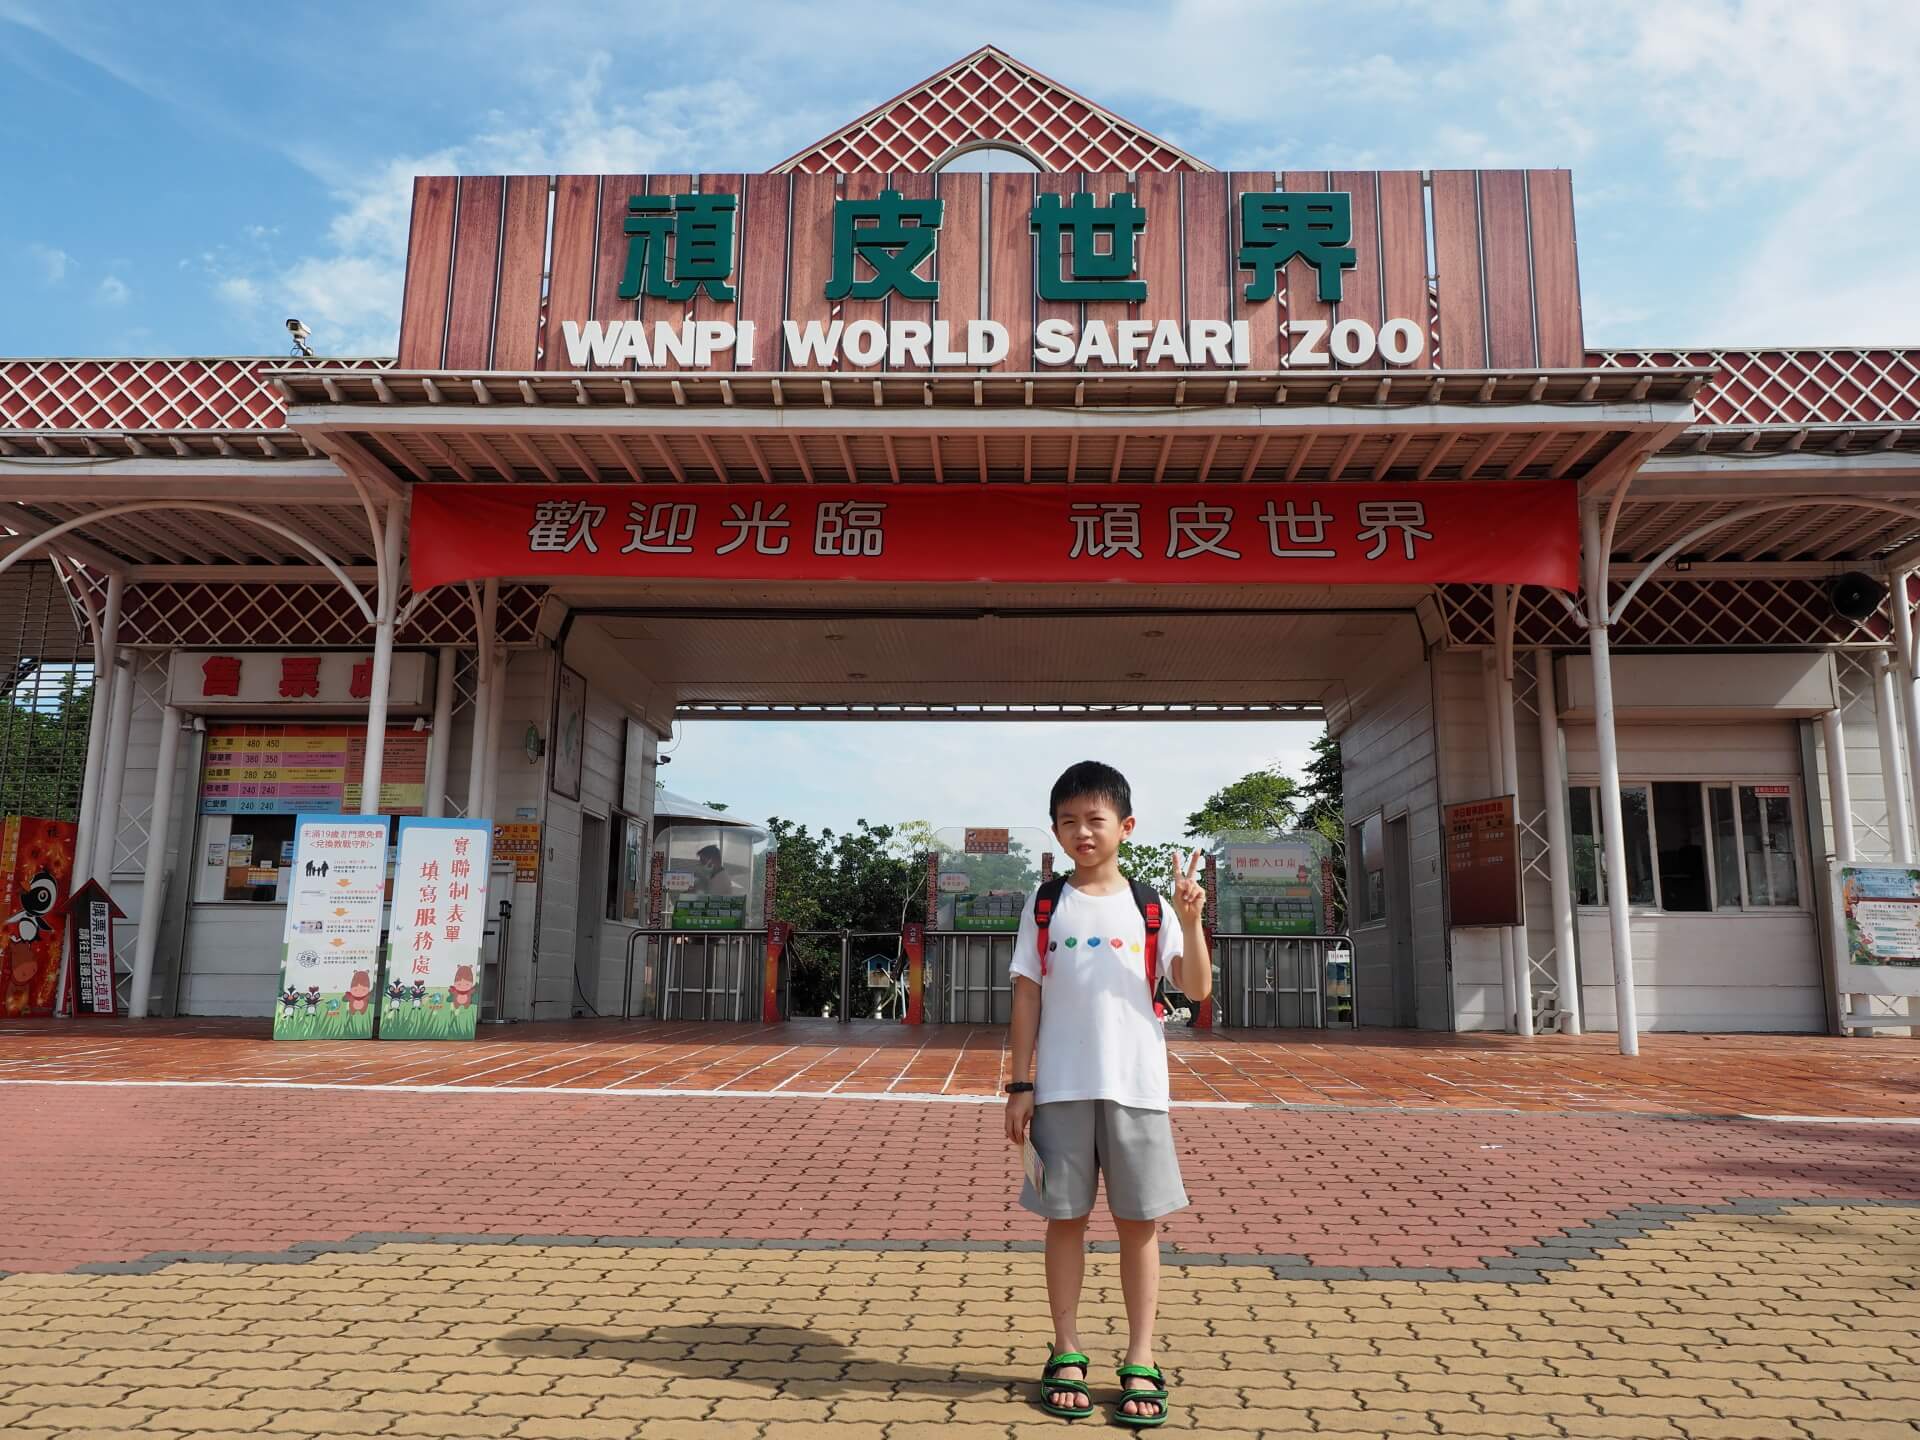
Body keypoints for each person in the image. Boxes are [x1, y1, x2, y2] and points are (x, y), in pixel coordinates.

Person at [1004, 760, 1210, 1427]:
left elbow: (1197, 988)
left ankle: (1140, 1356)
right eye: (1069, 821)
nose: (1082, 833)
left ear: (1126, 826)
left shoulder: (1152, 907)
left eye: (1095, 820)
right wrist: (1020, 1083)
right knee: (1063, 1220)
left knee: (1137, 1224)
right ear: (1057, 830)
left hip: (1138, 1090)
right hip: (1060, 1090)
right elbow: (1027, 997)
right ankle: (1065, 1348)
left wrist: (1192, 919)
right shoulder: (1045, 906)